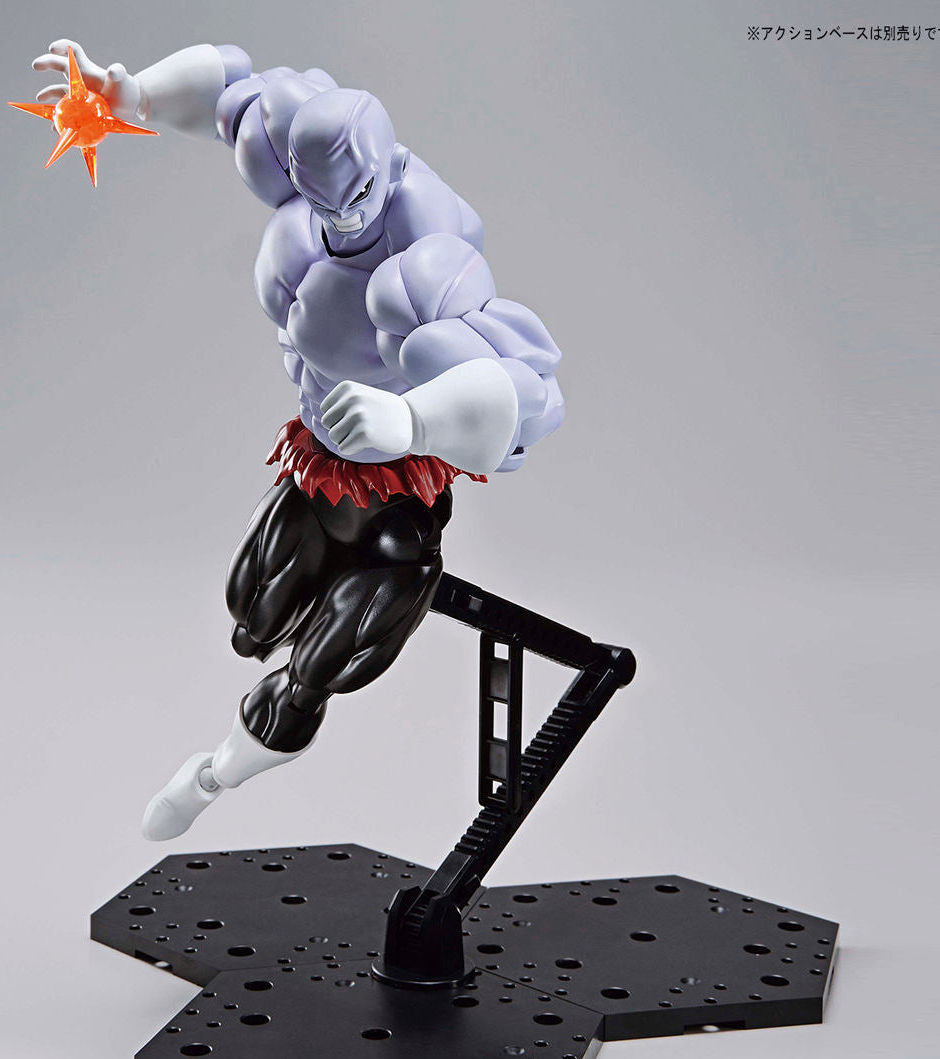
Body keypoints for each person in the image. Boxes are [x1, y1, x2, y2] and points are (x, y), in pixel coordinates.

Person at [31, 40, 566, 839]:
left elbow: (529, 389)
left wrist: (414, 420)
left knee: (316, 668)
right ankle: (234, 743)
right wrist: (130, 95)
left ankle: (213, 776)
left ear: (382, 174)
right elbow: (234, 90)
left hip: (395, 503)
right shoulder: (293, 145)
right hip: (317, 463)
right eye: (326, 201)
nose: (344, 217)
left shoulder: (427, 256)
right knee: (250, 613)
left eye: (357, 199)